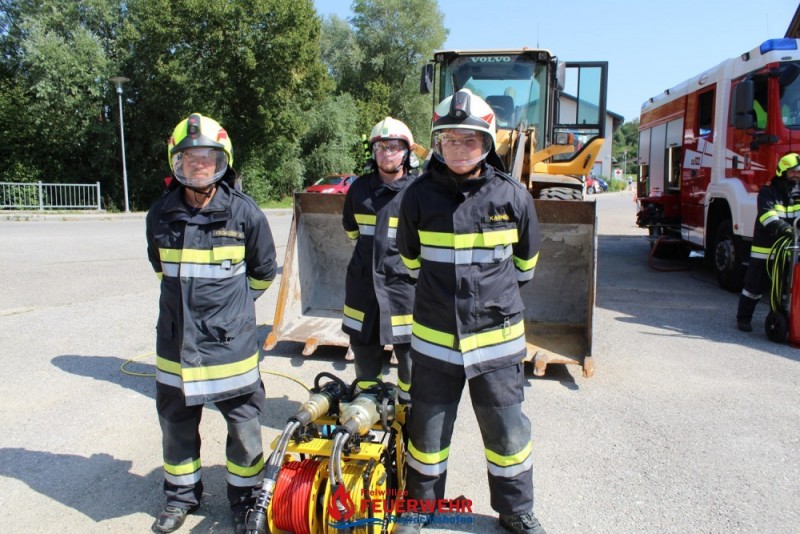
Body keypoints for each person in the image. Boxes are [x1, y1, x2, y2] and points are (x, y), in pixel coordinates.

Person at [395, 89, 545, 534]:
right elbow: (410, 260)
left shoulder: (513, 197)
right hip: (435, 342)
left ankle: (515, 510)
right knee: (426, 435)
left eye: (469, 139)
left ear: (488, 142)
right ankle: (419, 508)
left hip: (496, 342)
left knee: (508, 434)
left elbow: (525, 266)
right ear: (437, 144)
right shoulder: (417, 196)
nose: (458, 149)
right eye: (449, 139)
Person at [145, 113, 277, 533]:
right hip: (176, 345)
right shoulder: (159, 215)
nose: (198, 165)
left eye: (207, 158)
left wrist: (232, 310)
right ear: (176, 163)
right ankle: (180, 496)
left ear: (223, 162)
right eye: (190, 158)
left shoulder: (244, 214)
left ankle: (245, 500)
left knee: (244, 427)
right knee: (176, 425)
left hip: (230, 347)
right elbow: (162, 271)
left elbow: (263, 272)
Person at [342, 117, 416, 403]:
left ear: (406, 152)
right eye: (381, 147)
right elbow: (352, 231)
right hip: (362, 288)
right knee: (363, 349)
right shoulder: (358, 189)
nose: (387, 153)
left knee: (409, 354)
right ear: (373, 152)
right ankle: (367, 406)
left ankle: (409, 409)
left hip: (403, 289)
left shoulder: (418, 192)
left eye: (394, 147)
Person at [736, 152, 800, 332]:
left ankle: (779, 321)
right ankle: (743, 318)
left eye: (799, 172)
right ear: (782, 172)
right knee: (754, 287)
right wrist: (785, 229)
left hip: (789, 251)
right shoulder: (768, 192)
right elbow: (767, 217)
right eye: (792, 172)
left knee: (783, 289)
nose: (796, 176)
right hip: (765, 249)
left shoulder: (798, 193)